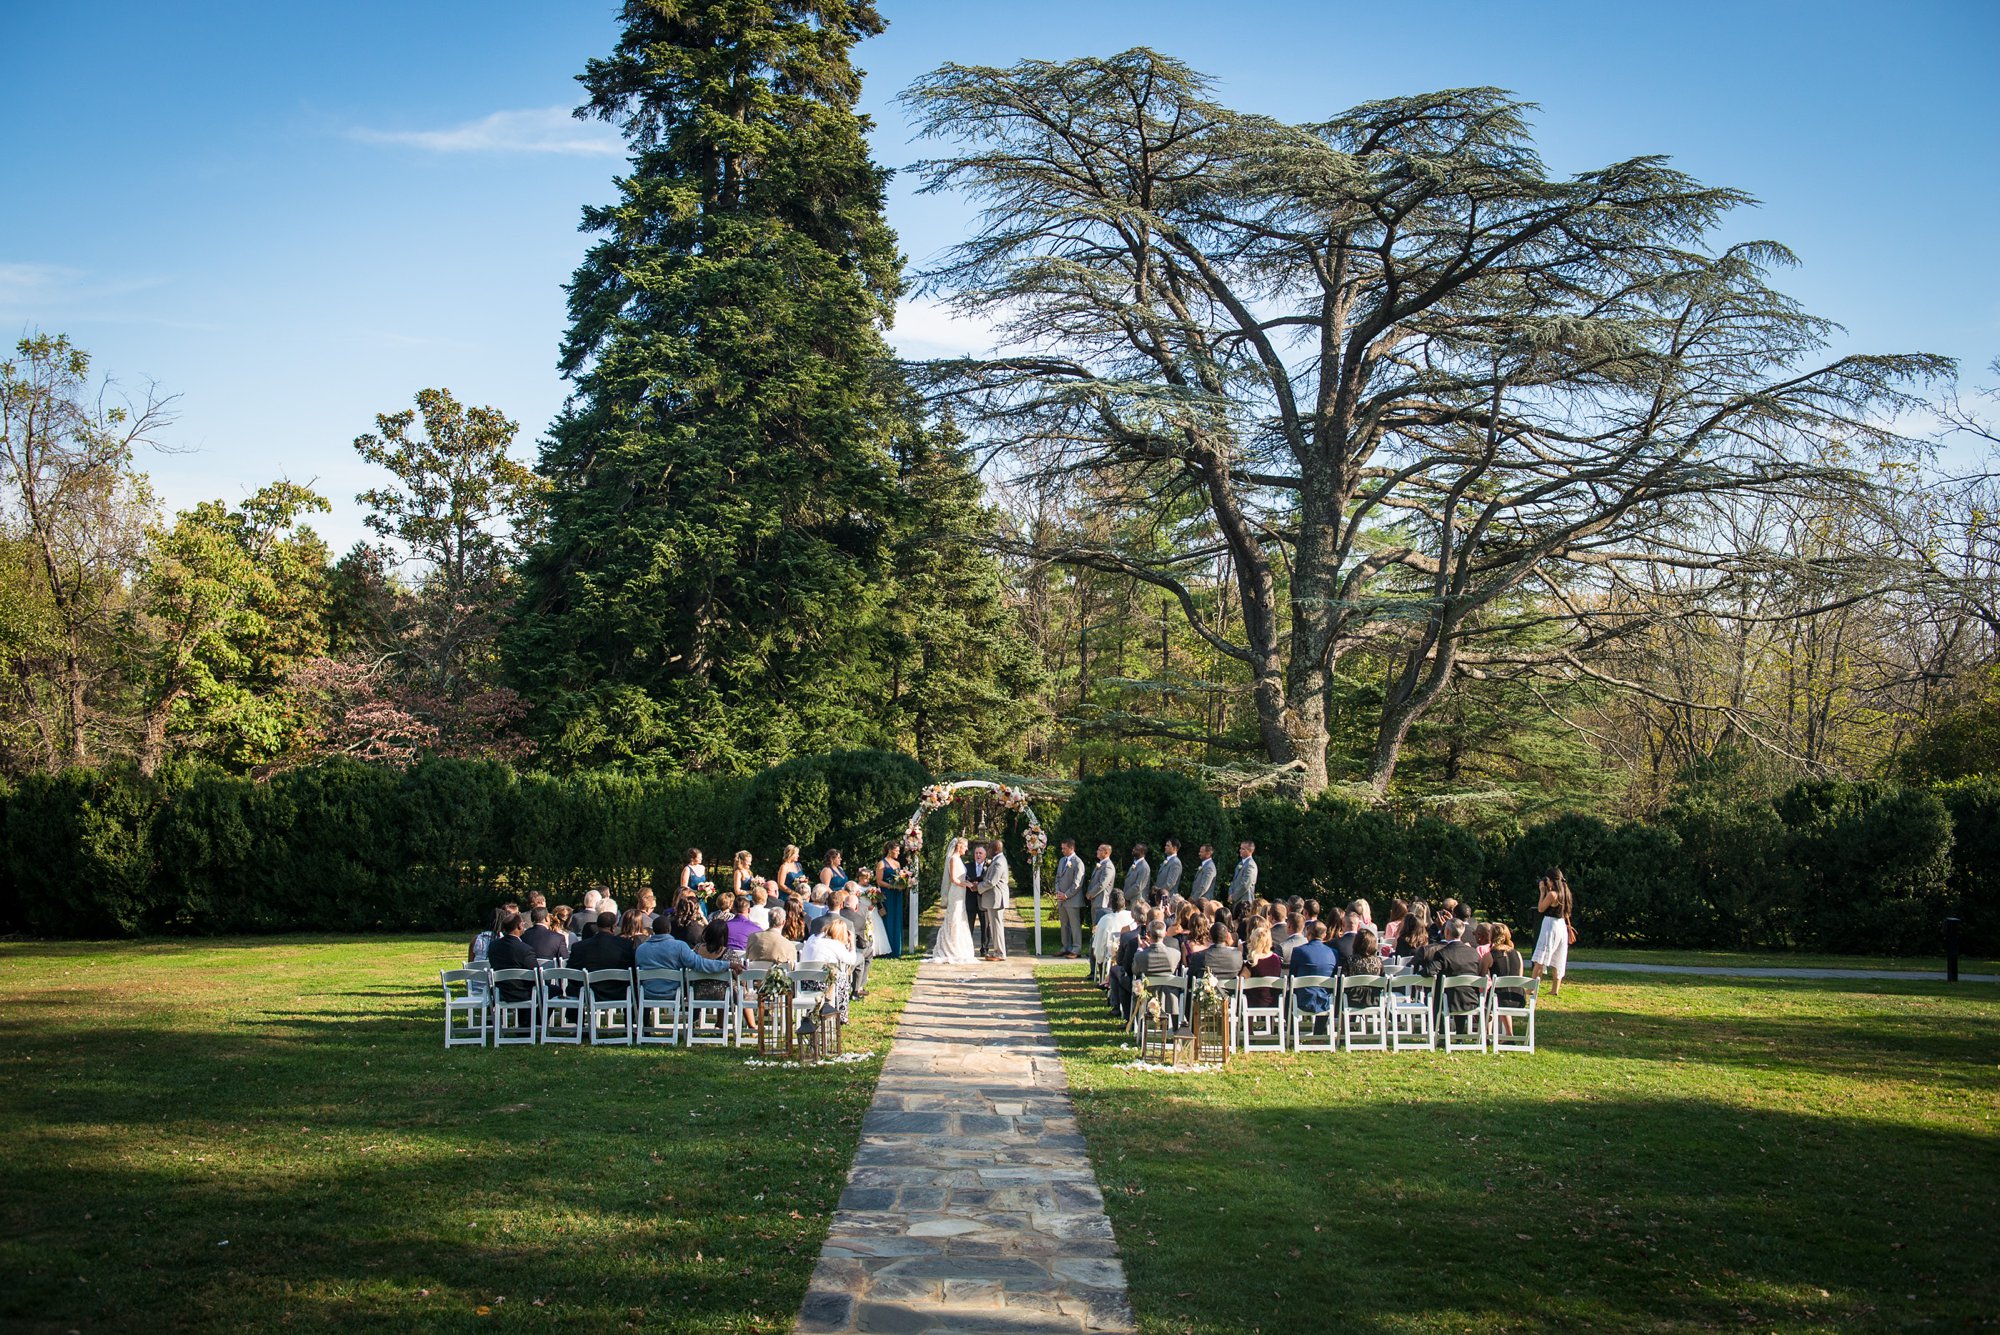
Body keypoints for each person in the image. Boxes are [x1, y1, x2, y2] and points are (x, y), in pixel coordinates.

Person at [633, 919, 740, 1005]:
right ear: (669, 929)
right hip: (674, 993)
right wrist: (728, 964)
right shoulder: (679, 946)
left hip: (646, 993)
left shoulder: (641, 949)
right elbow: (700, 964)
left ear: (654, 930)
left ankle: (643, 1026)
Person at [931, 836, 978, 964]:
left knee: (960, 918)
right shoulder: (953, 859)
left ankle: (958, 947)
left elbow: (961, 878)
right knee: (954, 918)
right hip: (955, 893)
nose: (967, 849)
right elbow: (954, 880)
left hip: (961, 893)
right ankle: (949, 948)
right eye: (965, 846)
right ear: (959, 846)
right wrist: (966, 885)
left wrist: (968, 883)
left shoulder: (959, 859)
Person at [1286, 921, 1339, 1027]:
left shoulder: (1298, 951)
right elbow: (1333, 976)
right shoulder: (1333, 953)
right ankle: (1318, 1032)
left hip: (1302, 998)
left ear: (1308, 934)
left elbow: (1292, 976)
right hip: (1324, 1000)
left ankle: (1293, 1033)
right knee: (1327, 991)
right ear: (1324, 935)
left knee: (1287, 995)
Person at [1531, 868, 1574, 995]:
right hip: (1561, 926)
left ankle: (1531, 988)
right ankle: (1555, 989)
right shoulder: (1565, 892)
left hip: (1550, 926)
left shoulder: (1552, 894)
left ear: (1550, 880)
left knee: (1540, 958)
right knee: (1558, 959)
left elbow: (1541, 908)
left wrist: (1542, 892)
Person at [570, 911, 635, 996]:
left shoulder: (579, 946)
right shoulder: (626, 945)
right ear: (613, 927)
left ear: (597, 926)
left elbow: (571, 971)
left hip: (588, 993)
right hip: (619, 993)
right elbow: (632, 969)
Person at [487, 911, 538, 1003]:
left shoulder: (493, 946)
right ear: (519, 926)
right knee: (554, 991)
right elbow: (536, 974)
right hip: (523, 992)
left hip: (501, 992)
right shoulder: (525, 949)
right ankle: (534, 1017)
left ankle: (525, 1017)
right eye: (523, 924)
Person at [1488, 923, 1527, 1031]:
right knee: (1500, 994)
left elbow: (1482, 975)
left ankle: (1487, 1033)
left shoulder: (1490, 955)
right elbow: (1519, 976)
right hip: (1518, 998)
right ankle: (1509, 1034)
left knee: (1486, 998)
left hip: (1498, 999)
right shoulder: (1517, 954)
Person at [1053, 837, 1087, 959]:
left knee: (1074, 925)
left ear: (1071, 848)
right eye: (1062, 848)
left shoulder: (1078, 862)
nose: (1062, 850)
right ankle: (1065, 947)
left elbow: (1077, 883)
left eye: (1064, 848)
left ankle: (1076, 949)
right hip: (1061, 899)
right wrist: (1058, 892)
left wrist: (1066, 894)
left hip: (1072, 900)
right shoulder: (1062, 861)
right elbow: (1057, 877)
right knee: (1064, 924)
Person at [976, 840, 1010, 962]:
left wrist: (978, 887)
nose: (987, 850)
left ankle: (1000, 953)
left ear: (995, 849)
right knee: (995, 927)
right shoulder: (997, 860)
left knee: (997, 927)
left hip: (996, 899)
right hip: (994, 899)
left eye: (989, 848)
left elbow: (991, 881)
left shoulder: (998, 862)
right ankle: (997, 951)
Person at [1090, 890, 1134, 983]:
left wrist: (1100, 955)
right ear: (1124, 903)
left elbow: (1098, 944)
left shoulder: (1105, 919)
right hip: (1128, 948)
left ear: (1110, 904)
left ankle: (1102, 977)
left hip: (1110, 951)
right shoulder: (1131, 916)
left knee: (1097, 945)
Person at [1242, 922, 1284, 1009]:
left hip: (1253, 1003)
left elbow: (1240, 983)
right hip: (1274, 1002)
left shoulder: (1252, 962)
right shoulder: (1277, 959)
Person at [877, 840, 907, 959]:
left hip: (897, 894)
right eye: (897, 850)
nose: (898, 853)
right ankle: (887, 950)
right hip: (887, 894)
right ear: (890, 850)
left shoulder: (898, 864)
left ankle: (896, 949)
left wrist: (903, 884)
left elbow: (900, 878)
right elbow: (879, 881)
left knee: (897, 918)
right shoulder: (881, 863)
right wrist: (892, 886)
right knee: (888, 919)